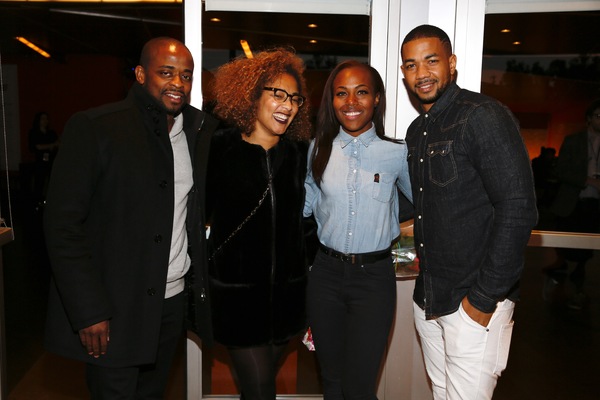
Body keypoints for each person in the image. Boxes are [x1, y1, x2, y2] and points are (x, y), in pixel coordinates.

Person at [43, 37, 217, 399]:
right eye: (166, 72)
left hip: (170, 304)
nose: (177, 83)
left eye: (186, 76)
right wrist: (88, 310)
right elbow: (62, 227)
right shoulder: (96, 127)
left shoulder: (197, 132)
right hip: (113, 309)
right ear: (140, 74)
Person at [400, 25, 538, 400]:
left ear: (452, 63)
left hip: (473, 304)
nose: (422, 73)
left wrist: (482, 300)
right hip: (429, 300)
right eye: (411, 65)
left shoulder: (483, 115)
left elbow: (518, 209)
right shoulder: (417, 131)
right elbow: (421, 204)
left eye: (431, 60)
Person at [206, 48, 312, 400]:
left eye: (294, 98)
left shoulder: (299, 154)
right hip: (238, 303)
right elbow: (195, 215)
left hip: (287, 302)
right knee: (261, 390)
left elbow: (306, 223)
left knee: (257, 389)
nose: (288, 105)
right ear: (252, 96)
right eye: (277, 94)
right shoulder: (217, 149)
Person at [304, 60, 412, 399]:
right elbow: (304, 206)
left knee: (361, 386)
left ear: (377, 98)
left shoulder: (396, 153)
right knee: (331, 381)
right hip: (324, 277)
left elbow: (423, 203)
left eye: (361, 92)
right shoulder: (317, 149)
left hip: (373, 280)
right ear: (331, 101)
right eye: (341, 93)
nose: (351, 102)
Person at [546, 98, 600, 310]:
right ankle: (561, 285)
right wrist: (587, 180)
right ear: (588, 119)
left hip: (595, 205)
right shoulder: (574, 140)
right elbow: (561, 170)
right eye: (598, 116)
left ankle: (576, 290)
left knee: (586, 254)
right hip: (574, 203)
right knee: (569, 249)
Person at [28, 111, 59, 207]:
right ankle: (37, 202)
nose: (45, 121)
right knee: (39, 182)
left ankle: (50, 201)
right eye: (43, 119)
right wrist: (50, 145)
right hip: (40, 161)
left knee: (52, 182)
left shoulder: (51, 133)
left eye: (46, 119)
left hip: (51, 160)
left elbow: (58, 143)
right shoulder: (34, 132)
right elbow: (37, 147)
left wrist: (53, 145)